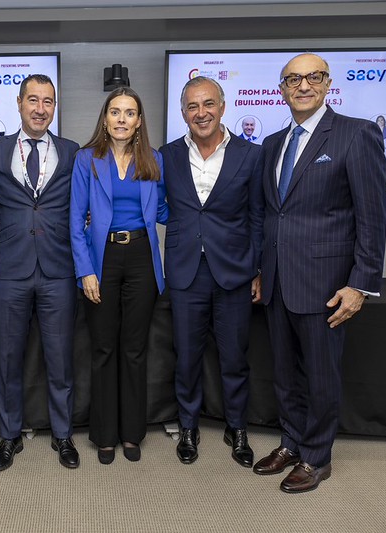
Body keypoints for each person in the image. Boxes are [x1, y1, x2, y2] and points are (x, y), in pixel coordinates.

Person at [255, 53, 386, 493]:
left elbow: (373, 216)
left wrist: (361, 283)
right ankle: (291, 443)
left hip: (326, 284)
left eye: (313, 76)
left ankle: (316, 457)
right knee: (285, 374)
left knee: (320, 375)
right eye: (293, 79)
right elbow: (271, 214)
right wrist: (260, 269)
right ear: (282, 89)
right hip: (277, 281)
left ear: (328, 83)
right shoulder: (272, 143)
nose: (303, 85)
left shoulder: (356, 133)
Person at [159, 77, 264, 468]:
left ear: (222, 106)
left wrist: (258, 269)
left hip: (234, 270)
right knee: (186, 356)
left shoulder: (251, 155)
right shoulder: (167, 155)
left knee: (234, 356)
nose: (200, 113)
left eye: (208, 104)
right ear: (183, 112)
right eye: (192, 106)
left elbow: (258, 216)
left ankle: (237, 427)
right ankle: (188, 426)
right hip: (186, 271)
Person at [0, 74, 81, 471]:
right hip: (11, 269)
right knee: (8, 359)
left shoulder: (71, 152)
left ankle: (62, 434)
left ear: (54, 107)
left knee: (60, 359)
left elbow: (83, 199)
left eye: (48, 101)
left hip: (58, 269)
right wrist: (5, 214)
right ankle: (9, 436)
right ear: (20, 103)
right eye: (33, 100)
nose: (40, 109)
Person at [70, 87, 168, 465]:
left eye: (129, 113)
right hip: (103, 258)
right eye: (115, 112)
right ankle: (104, 435)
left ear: (139, 121)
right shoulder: (87, 159)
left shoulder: (154, 159)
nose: (122, 119)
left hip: (142, 257)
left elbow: (164, 209)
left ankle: (131, 433)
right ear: (106, 118)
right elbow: (76, 221)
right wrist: (86, 271)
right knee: (103, 348)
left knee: (135, 349)